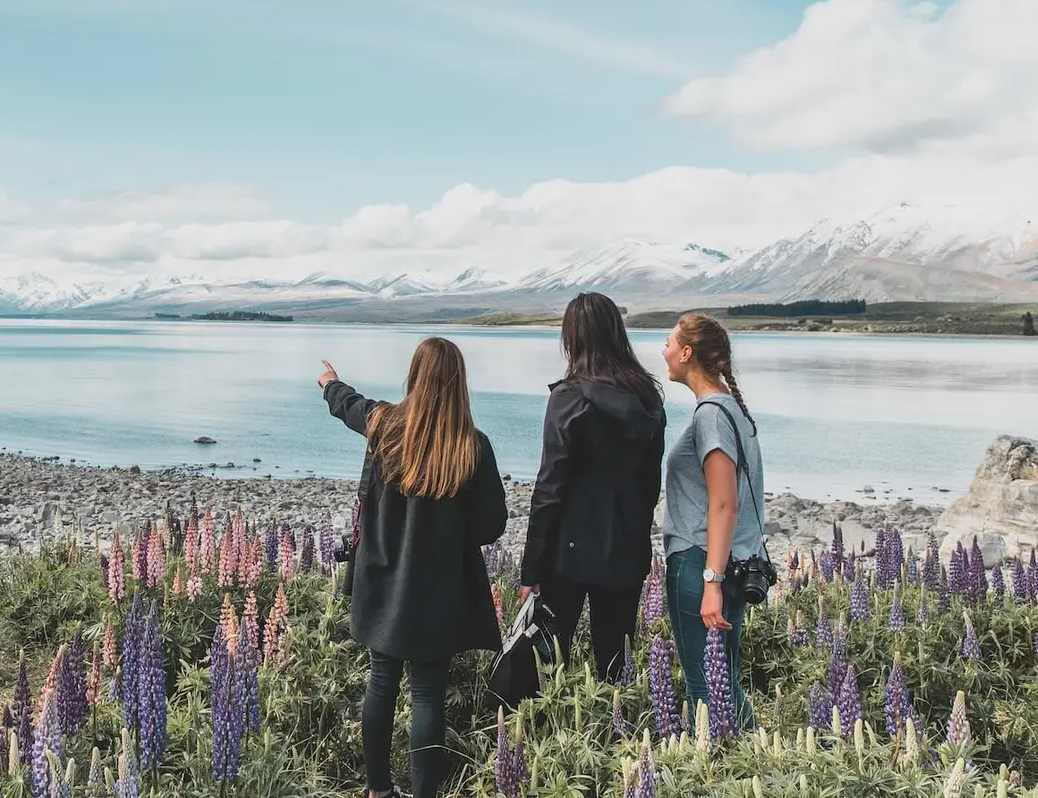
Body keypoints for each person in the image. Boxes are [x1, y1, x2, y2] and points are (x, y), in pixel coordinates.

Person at [320, 338, 508, 798]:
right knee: (428, 693)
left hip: (383, 579)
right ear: (458, 383)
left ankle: (378, 790)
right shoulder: (471, 446)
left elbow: (351, 407)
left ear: (414, 377)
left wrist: (329, 383)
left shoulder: (385, 426)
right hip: (439, 590)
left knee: (381, 681)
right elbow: (492, 525)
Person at [518, 292, 666, 683]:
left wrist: (531, 566)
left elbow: (549, 488)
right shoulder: (648, 399)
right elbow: (651, 483)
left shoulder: (568, 399)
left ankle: (549, 739)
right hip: (627, 548)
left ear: (573, 338)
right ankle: (621, 738)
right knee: (617, 663)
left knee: (549, 665)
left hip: (567, 552)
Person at [661, 312, 765, 731]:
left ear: (687, 353)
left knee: (704, 689)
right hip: (734, 562)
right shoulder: (733, 408)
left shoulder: (711, 415)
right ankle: (754, 764)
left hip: (703, 562)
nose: (663, 351)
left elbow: (724, 505)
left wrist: (710, 583)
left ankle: (720, 774)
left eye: (669, 342)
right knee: (725, 681)